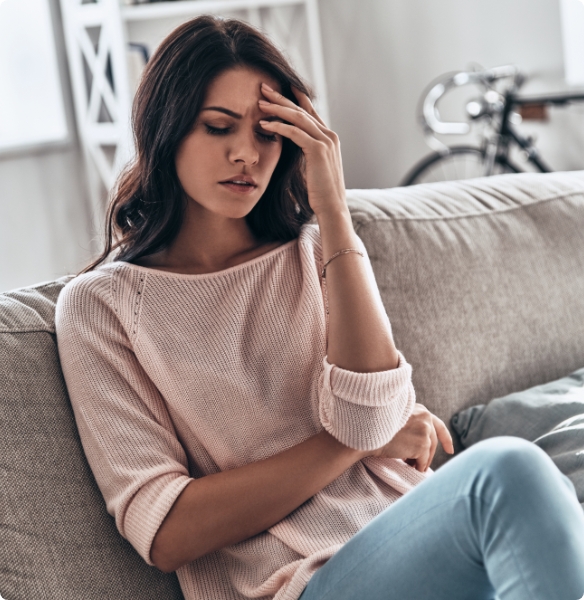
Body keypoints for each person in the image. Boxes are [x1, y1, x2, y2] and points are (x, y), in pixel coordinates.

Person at [55, 15, 584, 600]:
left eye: (267, 132)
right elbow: (167, 530)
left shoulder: (314, 251)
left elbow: (376, 412)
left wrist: (333, 210)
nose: (246, 154)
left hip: (411, 538)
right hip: (301, 584)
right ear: (166, 130)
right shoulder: (100, 308)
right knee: (507, 472)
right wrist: (350, 444)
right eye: (218, 128)